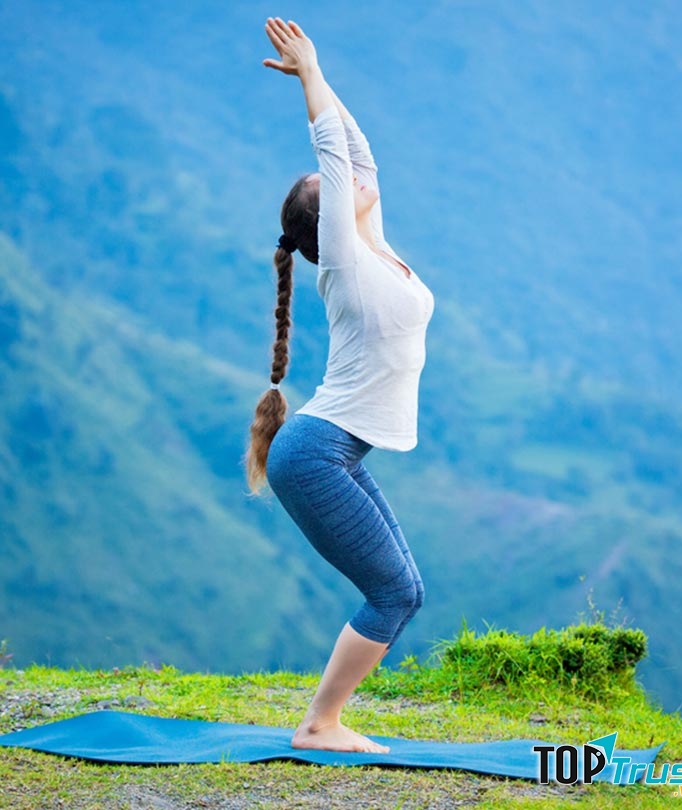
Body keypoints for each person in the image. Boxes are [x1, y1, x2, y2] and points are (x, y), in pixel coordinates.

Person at [246, 18, 434, 754]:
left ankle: (322, 719)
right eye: (338, 187)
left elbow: (356, 154)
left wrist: (315, 83)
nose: (357, 182)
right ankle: (319, 724)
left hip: (333, 452)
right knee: (393, 593)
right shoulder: (346, 266)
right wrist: (313, 72)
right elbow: (333, 150)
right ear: (329, 224)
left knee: (405, 590)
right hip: (314, 455)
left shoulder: (369, 243)